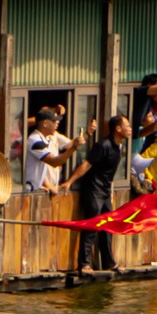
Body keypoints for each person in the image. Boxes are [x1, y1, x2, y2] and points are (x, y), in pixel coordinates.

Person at [62, 114, 130, 279]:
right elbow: (86, 164)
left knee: (109, 225)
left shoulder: (119, 146)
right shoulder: (104, 145)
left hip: (105, 191)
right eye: (127, 125)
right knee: (91, 225)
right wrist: (69, 182)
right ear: (118, 128)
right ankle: (84, 263)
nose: (130, 129)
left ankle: (108, 262)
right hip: (93, 189)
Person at [21, 109, 73, 192]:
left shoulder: (43, 139)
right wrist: (73, 148)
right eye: (54, 121)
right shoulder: (35, 141)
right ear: (45, 123)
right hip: (29, 190)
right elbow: (54, 162)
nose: (57, 123)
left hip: (36, 188)